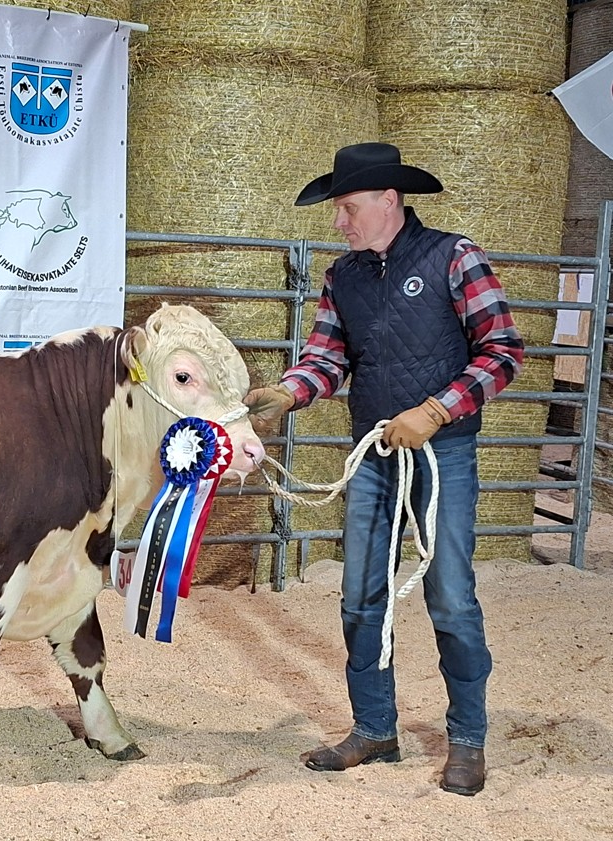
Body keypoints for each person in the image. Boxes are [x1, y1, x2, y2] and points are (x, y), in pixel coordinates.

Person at [243, 142, 524, 796]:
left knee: (450, 594)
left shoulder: (455, 257)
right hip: (375, 455)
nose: (338, 221)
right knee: (360, 593)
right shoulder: (342, 277)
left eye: (347, 207)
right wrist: (288, 391)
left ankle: (468, 738)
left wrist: (436, 409)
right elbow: (327, 357)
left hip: (443, 453)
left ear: (388, 200)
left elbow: (503, 351)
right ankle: (374, 727)